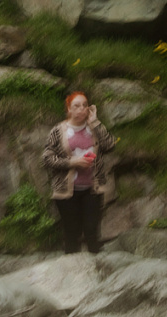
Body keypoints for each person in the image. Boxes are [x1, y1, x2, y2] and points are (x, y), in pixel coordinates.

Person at [43, 90, 115, 254]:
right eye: (77, 105)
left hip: (93, 188)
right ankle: (72, 274)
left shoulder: (94, 127)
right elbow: (46, 159)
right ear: (69, 109)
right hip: (66, 191)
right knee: (72, 232)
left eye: (85, 105)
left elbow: (110, 145)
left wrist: (95, 122)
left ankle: (99, 270)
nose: (82, 108)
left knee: (92, 231)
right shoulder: (58, 131)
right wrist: (72, 162)